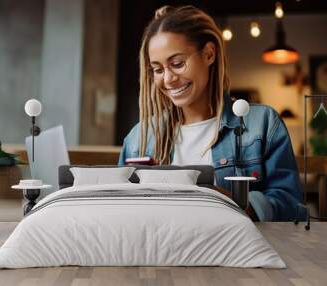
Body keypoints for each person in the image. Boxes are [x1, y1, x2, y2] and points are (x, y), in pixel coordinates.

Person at [118, 5, 304, 222]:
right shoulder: (139, 137)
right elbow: (123, 210)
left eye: (177, 64)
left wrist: (234, 203)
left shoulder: (262, 124)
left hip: (235, 252)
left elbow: (291, 205)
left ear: (209, 54)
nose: (168, 79)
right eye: (158, 69)